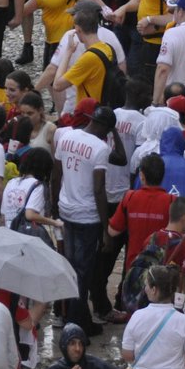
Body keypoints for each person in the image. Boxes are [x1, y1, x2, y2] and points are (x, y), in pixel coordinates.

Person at [52, 105, 115, 333]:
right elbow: (99, 189)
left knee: (70, 267)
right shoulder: (100, 148)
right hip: (88, 217)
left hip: (66, 210)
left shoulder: (66, 136)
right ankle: (77, 325)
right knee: (83, 272)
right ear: (106, 129)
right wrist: (106, 228)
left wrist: (54, 206)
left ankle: (74, 317)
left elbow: (56, 174)